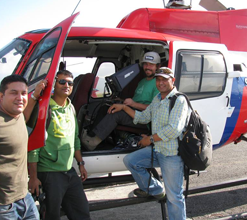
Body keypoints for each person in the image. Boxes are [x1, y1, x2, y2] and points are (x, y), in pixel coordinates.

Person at [109, 67, 189, 220]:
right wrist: (124, 107)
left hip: (171, 154)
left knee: (174, 196)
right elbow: (144, 117)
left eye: (165, 79)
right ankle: (156, 189)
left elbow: (174, 129)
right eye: (158, 80)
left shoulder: (179, 100)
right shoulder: (158, 98)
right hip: (158, 149)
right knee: (131, 161)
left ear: (173, 80)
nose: (161, 83)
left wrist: (150, 139)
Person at [28, 70, 91, 220]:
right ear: (54, 85)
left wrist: (80, 163)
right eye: (62, 82)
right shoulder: (44, 108)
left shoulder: (71, 108)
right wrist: (34, 177)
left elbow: (75, 139)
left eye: (70, 82)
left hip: (69, 171)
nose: (66, 85)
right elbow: (34, 145)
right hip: (50, 173)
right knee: (51, 215)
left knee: (82, 213)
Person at [82, 51, 161, 150]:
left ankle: (92, 143)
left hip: (144, 118)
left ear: (157, 66)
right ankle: (91, 135)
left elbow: (154, 108)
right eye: (146, 64)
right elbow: (136, 101)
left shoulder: (158, 84)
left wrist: (133, 104)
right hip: (132, 111)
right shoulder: (142, 82)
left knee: (116, 114)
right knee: (106, 107)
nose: (147, 67)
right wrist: (121, 100)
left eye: (151, 65)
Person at [0, 75, 41, 220]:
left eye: (23, 93)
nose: (20, 97)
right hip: (4, 207)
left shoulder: (17, 117)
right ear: (1, 96)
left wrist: (35, 96)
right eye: (13, 93)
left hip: (25, 198)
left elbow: (25, 115)